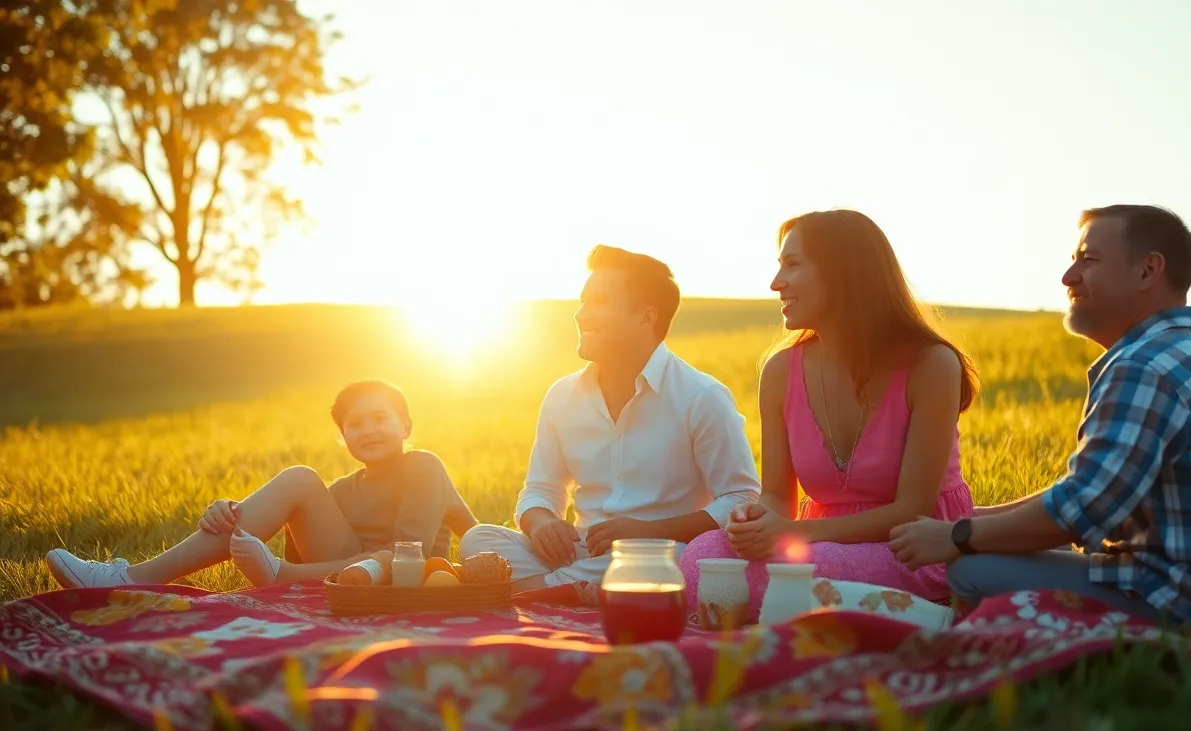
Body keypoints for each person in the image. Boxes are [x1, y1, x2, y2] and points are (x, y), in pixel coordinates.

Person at [889, 205, 1191, 640]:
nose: (1068, 276)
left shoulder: (1144, 367)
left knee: (973, 565)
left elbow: (1079, 510)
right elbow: (1094, 493)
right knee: (1011, 540)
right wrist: (973, 518)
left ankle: (989, 656)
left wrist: (958, 535)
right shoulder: (1182, 354)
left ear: (1147, 271)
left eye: (1089, 259)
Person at [678, 209, 980, 620]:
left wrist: (793, 532)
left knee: (814, 571)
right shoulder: (782, 371)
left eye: (792, 265)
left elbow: (913, 510)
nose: (775, 283)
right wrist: (751, 520)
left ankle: (781, 609)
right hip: (812, 544)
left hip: (912, 545)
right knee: (702, 558)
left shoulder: (931, 364)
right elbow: (777, 500)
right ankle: (793, 608)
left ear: (843, 272)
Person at [457, 245, 761, 592]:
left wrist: (648, 530)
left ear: (645, 317)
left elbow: (740, 498)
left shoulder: (702, 397)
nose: (581, 314)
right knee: (477, 539)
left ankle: (544, 591)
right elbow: (541, 490)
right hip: (581, 552)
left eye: (599, 302)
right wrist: (541, 524)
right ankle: (568, 590)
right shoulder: (562, 395)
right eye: (582, 302)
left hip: (658, 551)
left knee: (676, 561)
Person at [46, 380, 478, 589]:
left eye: (380, 418)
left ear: (406, 424)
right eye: (355, 424)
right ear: (343, 438)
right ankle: (132, 577)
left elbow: (415, 552)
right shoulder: (345, 489)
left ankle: (131, 577)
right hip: (344, 578)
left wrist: (286, 573)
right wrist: (228, 512)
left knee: (301, 480)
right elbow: (298, 528)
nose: (368, 430)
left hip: (400, 585)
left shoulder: (423, 466)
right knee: (301, 481)